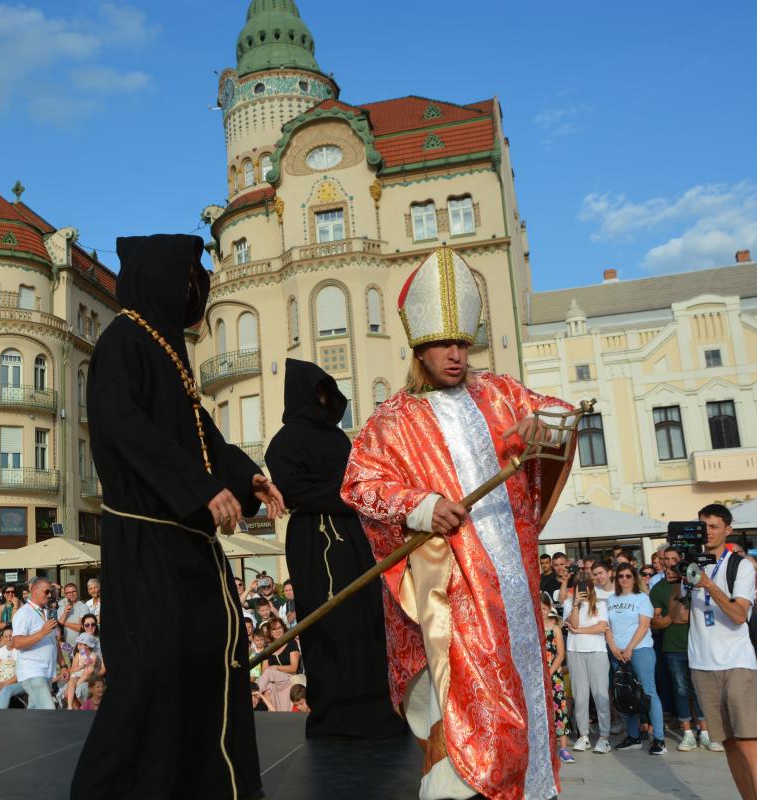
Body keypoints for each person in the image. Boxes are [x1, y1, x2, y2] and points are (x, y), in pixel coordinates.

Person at [342, 246, 574, 800]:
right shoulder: (394, 418)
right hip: (455, 589)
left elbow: (558, 413)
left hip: (513, 582)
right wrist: (421, 504)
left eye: (462, 343)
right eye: (444, 344)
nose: (456, 355)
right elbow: (359, 483)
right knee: (465, 700)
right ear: (419, 348)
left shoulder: (498, 392)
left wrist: (543, 425)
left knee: (522, 694)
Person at [71, 234, 285, 800]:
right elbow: (123, 427)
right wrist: (197, 489)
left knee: (209, 665)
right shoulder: (123, 341)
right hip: (147, 543)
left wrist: (245, 477)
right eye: (192, 275)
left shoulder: (169, 350)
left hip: (187, 548)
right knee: (150, 678)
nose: (199, 286)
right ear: (165, 277)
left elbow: (201, 436)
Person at [264, 358, 406, 740]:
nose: (325, 399)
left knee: (366, 618)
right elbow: (295, 491)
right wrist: (346, 495)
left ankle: (374, 709)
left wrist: (354, 495)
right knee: (327, 622)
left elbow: (355, 482)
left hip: (354, 536)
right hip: (314, 540)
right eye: (318, 391)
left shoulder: (338, 439)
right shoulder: (283, 444)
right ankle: (333, 713)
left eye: (327, 391)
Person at [688, 504, 757, 799]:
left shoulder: (741, 565)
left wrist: (708, 585)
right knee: (729, 744)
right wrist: (679, 584)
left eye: (713, 526)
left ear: (727, 529)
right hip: (701, 663)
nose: (707, 532)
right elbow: (674, 615)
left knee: (748, 742)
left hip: (736, 663)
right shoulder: (693, 564)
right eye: (702, 526)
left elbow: (738, 615)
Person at [650, 546, 715, 752]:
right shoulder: (658, 588)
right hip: (673, 646)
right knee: (680, 689)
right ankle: (687, 732)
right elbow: (655, 622)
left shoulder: (694, 581)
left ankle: (705, 732)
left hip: (698, 643)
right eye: (666, 559)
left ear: (681, 560)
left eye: (673, 559)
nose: (669, 562)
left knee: (699, 688)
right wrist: (671, 619)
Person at [605, 566, 666, 754]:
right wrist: (614, 648)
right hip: (617, 652)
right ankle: (633, 736)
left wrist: (630, 647)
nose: (624, 579)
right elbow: (606, 626)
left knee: (648, 692)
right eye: (620, 576)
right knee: (624, 694)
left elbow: (644, 625)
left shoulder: (642, 598)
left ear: (634, 578)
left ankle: (659, 739)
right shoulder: (611, 599)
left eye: (628, 576)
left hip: (640, 649)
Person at [563, 578, 611, 754]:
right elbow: (573, 624)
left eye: (585, 588)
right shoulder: (569, 603)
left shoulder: (600, 604)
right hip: (575, 652)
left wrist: (579, 631)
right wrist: (576, 605)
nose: (582, 591)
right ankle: (583, 735)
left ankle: (604, 737)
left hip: (597, 652)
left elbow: (601, 627)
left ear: (591, 589)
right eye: (578, 588)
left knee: (600, 694)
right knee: (580, 695)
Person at [10, 577, 66, 710]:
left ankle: (23, 731)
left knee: (35, 713)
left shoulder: (46, 612)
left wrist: (63, 665)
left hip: (46, 672)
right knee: (48, 710)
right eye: (46, 591)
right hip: (32, 671)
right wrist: (42, 632)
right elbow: (17, 642)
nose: (49, 595)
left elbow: (54, 641)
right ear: (34, 590)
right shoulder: (24, 613)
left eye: (51, 592)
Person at [541, 594, 572, 763]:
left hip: (553, 675)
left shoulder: (555, 627)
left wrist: (550, 671)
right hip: (537, 674)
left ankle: (564, 748)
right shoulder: (532, 627)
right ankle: (544, 745)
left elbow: (561, 654)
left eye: (544, 608)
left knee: (559, 708)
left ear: (550, 608)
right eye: (539, 609)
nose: (542, 612)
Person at [65, 632, 104, 709]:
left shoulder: (94, 655)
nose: (78, 647)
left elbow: (90, 669)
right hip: (77, 675)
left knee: (90, 669)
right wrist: (81, 666)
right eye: (78, 644)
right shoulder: (77, 655)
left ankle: (78, 685)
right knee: (71, 682)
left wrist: (87, 663)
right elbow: (72, 670)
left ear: (87, 646)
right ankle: (69, 706)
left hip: (86, 676)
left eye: (80, 645)